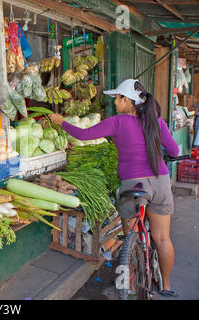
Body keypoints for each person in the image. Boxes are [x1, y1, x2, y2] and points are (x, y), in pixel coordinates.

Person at [49, 79, 180, 298]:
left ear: (128, 101)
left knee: (132, 234)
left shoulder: (118, 122)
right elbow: (174, 151)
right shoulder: (157, 121)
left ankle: (129, 276)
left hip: (133, 184)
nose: (115, 103)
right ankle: (166, 287)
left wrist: (61, 121)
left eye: (118, 98)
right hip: (160, 182)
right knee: (163, 238)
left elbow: (83, 135)